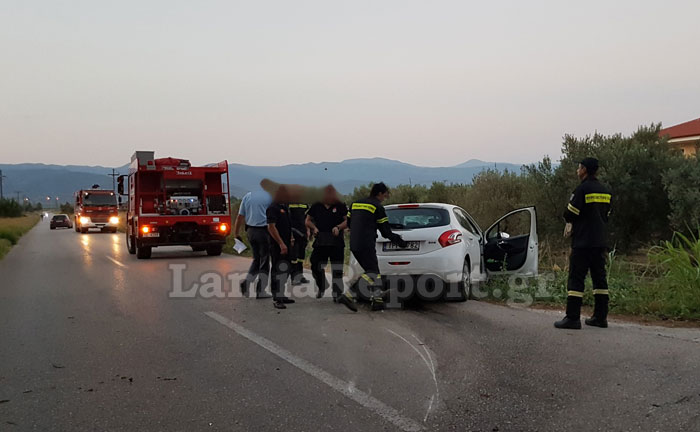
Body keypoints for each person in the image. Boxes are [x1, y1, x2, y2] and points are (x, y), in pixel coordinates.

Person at [555, 157, 612, 330]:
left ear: (585, 170)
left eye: (579, 168)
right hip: (600, 242)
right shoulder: (605, 191)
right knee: (599, 279)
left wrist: (571, 222)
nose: (577, 171)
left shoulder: (582, 190)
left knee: (576, 279)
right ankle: (600, 317)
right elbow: (607, 215)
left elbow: (569, 214)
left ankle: (572, 318)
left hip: (582, 242)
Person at [337, 182, 407, 312]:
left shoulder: (355, 204)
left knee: (374, 271)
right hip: (366, 243)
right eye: (385, 196)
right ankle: (348, 295)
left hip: (354, 243)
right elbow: (386, 232)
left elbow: (350, 223)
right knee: (372, 272)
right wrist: (399, 241)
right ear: (379, 193)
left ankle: (377, 301)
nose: (384, 199)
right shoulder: (377, 207)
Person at [306, 185, 348, 301]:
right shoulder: (316, 205)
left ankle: (338, 294)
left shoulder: (340, 205)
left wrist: (339, 227)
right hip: (321, 240)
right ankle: (322, 285)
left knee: (337, 269)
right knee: (315, 264)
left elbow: (347, 220)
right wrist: (314, 228)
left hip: (336, 241)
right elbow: (307, 221)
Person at [232, 190, 273, 299]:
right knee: (264, 260)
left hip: (251, 232)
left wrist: (236, 233)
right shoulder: (269, 198)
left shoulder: (247, 196)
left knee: (257, 259)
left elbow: (239, 216)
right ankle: (261, 290)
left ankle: (247, 282)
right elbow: (273, 217)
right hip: (263, 231)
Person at [266, 186, 296, 309]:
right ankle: (276, 298)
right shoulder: (272, 208)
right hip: (277, 245)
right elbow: (271, 227)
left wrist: (291, 238)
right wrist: (281, 243)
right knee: (277, 271)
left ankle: (281, 294)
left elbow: (288, 226)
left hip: (286, 243)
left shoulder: (284, 207)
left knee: (286, 269)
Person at [288, 202, 311, 285]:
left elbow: (307, 218)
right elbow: (287, 219)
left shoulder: (304, 203)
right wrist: (290, 235)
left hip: (303, 232)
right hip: (293, 232)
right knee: (294, 256)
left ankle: (300, 275)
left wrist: (308, 230)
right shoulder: (289, 202)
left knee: (301, 256)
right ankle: (293, 277)